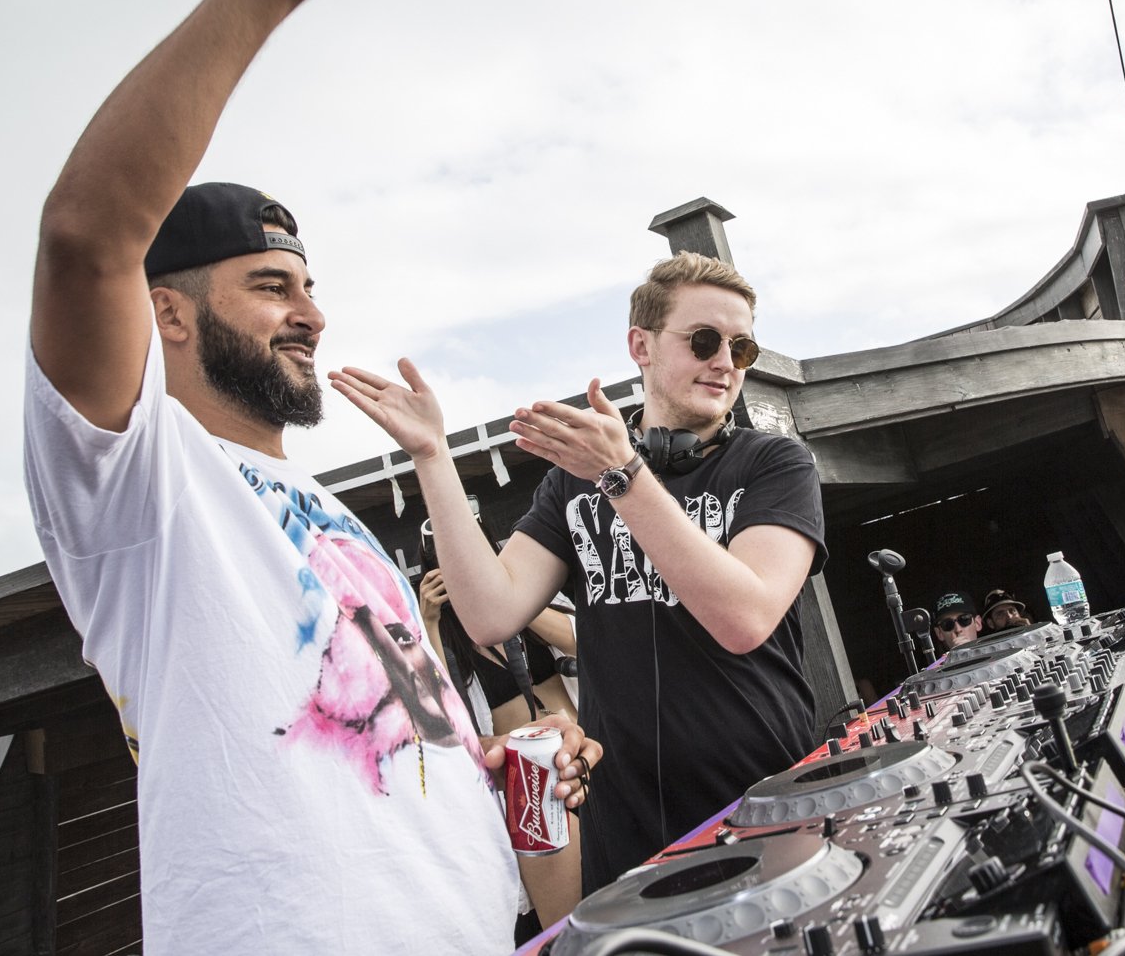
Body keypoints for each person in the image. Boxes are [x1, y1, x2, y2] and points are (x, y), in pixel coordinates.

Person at [22, 0, 600, 956]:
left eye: (311, 283)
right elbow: (87, 236)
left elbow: (379, 750)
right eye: (271, 284)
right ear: (168, 312)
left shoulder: (333, 515)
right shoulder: (140, 487)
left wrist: (491, 772)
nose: (313, 312)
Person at [330, 252, 827, 893]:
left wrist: (623, 479)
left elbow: (745, 617)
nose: (726, 361)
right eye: (704, 340)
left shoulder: (775, 465)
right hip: (626, 836)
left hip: (765, 809)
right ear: (639, 346)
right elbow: (488, 613)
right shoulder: (575, 483)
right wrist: (432, 456)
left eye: (743, 347)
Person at [419, 560, 582, 934]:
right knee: (571, 926)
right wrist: (429, 622)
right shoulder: (451, 641)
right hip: (532, 783)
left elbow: (582, 638)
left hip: (585, 748)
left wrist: (510, 596)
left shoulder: (532, 601)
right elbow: (446, 719)